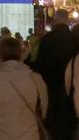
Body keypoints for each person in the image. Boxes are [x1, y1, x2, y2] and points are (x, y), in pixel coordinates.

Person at [0, 36, 48, 140]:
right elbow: (43, 107)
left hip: (0, 134)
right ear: (20, 52)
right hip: (30, 133)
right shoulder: (35, 79)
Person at [36, 8, 78, 138]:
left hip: (51, 83)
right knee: (67, 115)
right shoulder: (75, 39)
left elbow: (40, 63)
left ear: (56, 20)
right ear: (66, 20)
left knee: (53, 112)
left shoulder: (47, 39)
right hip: (70, 84)